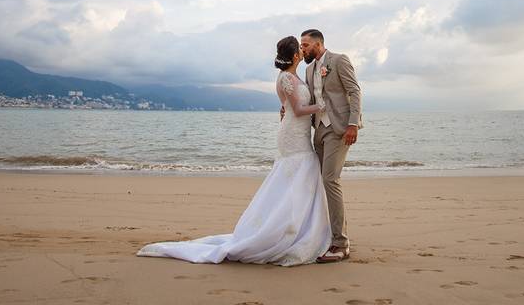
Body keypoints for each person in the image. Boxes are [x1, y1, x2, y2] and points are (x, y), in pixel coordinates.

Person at [136, 36, 331, 265]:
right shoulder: (286, 77)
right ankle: (287, 231)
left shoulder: (295, 76)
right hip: (292, 136)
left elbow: (287, 107)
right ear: (295, 55)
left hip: (297, 134)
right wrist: (322, 106)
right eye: (299, 48)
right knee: (295, 176)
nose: (302, 49)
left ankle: (300, 229)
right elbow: (297, 110)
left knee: (301, 178)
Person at [284, 29, 363, 263]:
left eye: (306, 45)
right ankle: (321, 236)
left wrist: (353, 124)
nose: (303, 49)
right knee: (319, 182)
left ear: (319, 44)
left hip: (339, 129)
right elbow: (310, 101)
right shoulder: (308, 70)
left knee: (330, 179)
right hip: (318, 131)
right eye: (301, 45)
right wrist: (286, 109)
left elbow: (354, 91)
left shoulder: (339, 60)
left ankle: (341, 243)